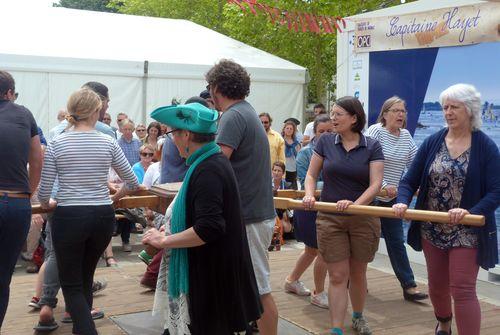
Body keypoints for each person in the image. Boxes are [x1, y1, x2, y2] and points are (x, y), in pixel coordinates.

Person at [143, 102, 262, 334]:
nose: (171, 140)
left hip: (211, 280)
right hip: (212, 274)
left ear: (186, 134)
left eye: (172, 134)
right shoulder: (210, 161)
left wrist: (164, 240)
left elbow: (209, 228)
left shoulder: (209, 168)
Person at [393, 84, 500, 335]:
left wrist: (471, 212)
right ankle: (443, 323)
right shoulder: (433, 141)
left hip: (467, 229)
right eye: (445, 107)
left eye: (454, 107)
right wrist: (402, 200)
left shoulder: (485, 146)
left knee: (462, 288)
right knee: (437, 287)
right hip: (432, 225)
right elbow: (409, 180)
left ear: (470, 110)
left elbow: (497, 190)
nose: (448, 112)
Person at [38, 88, 140, 335]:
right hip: (102, 217)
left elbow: (43, 192)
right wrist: (117, 195)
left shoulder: (57, 143)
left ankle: (86, 330)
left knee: (71, 283)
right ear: (95, 111)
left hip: (69, 217)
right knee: (85, 277)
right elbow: (132, 182)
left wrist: (49, 203)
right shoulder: (107, 141)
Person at [207, 59, 278, 335]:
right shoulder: (245, 112)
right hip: (253, 214)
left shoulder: (233, 116)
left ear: (215, 87)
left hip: (249, 216)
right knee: (249, 287)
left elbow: (216, 164)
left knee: (259, 289)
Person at [303, 96, 384, 335]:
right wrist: (309, 194)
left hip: (363, 217)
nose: (333, 118)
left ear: (354, 118)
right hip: (329, 217)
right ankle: (336, 328)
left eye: (338, 114)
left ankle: (358, 316)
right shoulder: (325, 141)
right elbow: (311, 175)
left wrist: (355, 205)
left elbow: (376, 184)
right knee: (338, 274)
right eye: (332, 113)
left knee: (357, 273)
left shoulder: (372, 145)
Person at [365, 96, 428, 302]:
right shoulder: (376, 131)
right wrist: (382, 187)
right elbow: (365, 162)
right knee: (367, 241)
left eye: (403, 111)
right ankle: (356, 280)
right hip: (370, 195)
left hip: (392, 198)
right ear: (384, 114)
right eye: (396, 110)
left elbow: (416, 163)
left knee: (396, 241)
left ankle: (409, 286)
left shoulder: (406, 135)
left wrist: (421, 186)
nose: (401, 114)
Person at [0, 70, 43, 330]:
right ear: (9, 93)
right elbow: (37, 158)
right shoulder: (24, 114)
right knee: (3, 277)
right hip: (16, 203)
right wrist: (28, 192)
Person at [285, 114, 333, 309]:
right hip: (308, 207)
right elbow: (306, 181)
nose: (326, 134)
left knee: (312, 250)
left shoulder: (337, 151)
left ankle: (291, 280)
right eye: (322, 131)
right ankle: (319, 292)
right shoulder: (305, 153)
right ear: (314, 133)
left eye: (330, 131)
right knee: (320, 250)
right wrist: (336, 184)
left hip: (328, 206)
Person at [281, 120, 301, 189]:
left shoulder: (296, 143)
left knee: (293, 190)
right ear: (284, 129)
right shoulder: (280, 141)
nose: (289, 130)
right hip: (283, 169)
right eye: (287, 128)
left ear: (293, 131)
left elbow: (299, 157)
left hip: (293, 169)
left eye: (291, 129)